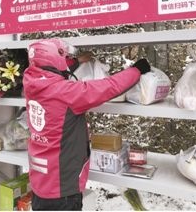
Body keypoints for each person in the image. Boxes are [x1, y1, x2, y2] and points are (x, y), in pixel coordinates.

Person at [23, 38, 151, 211]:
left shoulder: (32, 84)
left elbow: (54, 71)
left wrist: (75, 62)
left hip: (40, 184)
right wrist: (136, 70)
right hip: (63, 189)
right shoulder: (65, 92)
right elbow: (108, 87)